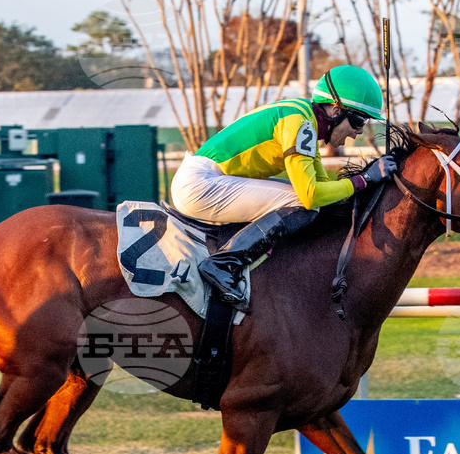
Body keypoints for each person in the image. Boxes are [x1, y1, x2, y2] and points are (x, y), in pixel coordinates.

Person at [170, 64, 398, 312]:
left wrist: (370, 181)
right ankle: (224, 263)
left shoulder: (304, 118)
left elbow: (326, 189)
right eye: (357, 121)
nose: (357, 132)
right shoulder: (300, 123)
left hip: (206, 179)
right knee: (302, 203)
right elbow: (310, 196)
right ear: (335, 109)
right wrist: (364, 179)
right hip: (200, 184)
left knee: (308, 201)